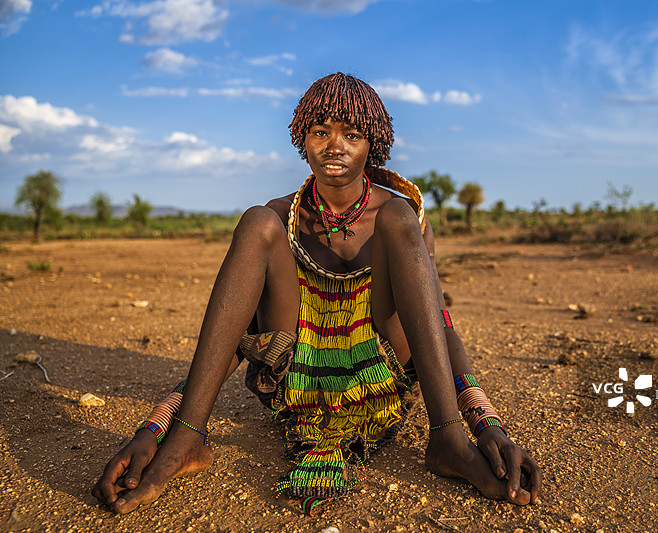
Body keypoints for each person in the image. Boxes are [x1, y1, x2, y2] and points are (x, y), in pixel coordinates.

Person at [92, 72, 542, 515]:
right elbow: (238, 333)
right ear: (301, 139)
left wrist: (483, 424)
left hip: (379, 372)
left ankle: (446, 439)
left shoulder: (402, 216)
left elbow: (439, 324)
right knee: (255, 222)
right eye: (320, 131)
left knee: (400, 219)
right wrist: (163, 427)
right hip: (298, 376)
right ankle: (191, 440)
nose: (335, 145)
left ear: (373, 144)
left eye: (352, 133)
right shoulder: (280, 216)